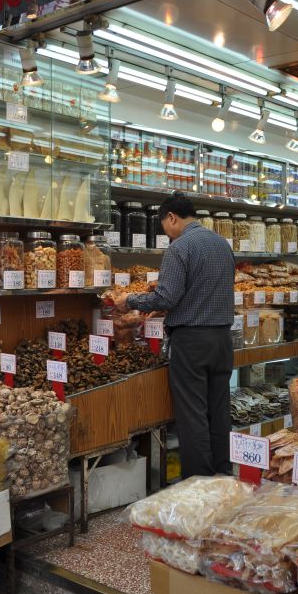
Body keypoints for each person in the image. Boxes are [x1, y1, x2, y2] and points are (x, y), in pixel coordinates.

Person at [113, 192, 235, 477]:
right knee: (218, 411)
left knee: (192, 415)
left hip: (192, 342)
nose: (165, 233)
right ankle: (223, 474)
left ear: (172, 217)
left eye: (164, 226)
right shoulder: (222, 244)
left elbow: (166, 297)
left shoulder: (180, 247)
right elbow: (202, 291)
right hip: (222, 340)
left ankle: (199, 483)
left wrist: (129, 300)